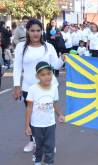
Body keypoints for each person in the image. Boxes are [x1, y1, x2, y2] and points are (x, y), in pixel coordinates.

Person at [13, 18, 65, 153]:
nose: (35, 33)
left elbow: (54, 65)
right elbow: (17, 67)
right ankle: (33, 141)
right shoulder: (21, 47)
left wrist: (62, 59)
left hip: (48, 87)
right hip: (28, 88)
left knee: (47, 115)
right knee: (31, 115)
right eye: (32, 31)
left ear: (42, 31)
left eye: (38, 30)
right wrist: (16, 86)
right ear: (28, 31)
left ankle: (49, 142)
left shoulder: (48, 47)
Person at [25, 61, 65, 165]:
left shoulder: (54, 88)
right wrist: (27, 126)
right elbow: (29, 108)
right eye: (43, 75)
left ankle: (49, 162)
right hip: (36, 125)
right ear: (37, 76)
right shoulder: (33, 89)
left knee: (50, 146)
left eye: (49, 73)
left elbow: (55, 103)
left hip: (50, 124)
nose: (46, 77)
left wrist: (60, 114)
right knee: (39, 146)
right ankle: (37, 161)